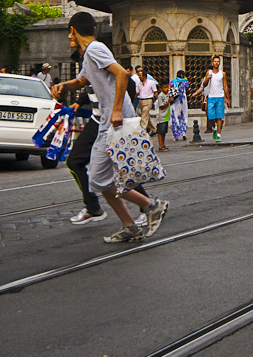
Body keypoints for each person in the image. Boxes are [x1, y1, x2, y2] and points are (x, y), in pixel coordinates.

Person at [50, 12, 168, 243]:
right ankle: (131, 225)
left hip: (114, 120)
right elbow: (83, 81)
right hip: (106, 120)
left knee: (98, 178)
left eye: (69, 33)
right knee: (99, 179)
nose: (68, 37)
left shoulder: (95, 49)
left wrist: (115, 110)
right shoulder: (89, 56)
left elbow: (122, 74)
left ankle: (151, 206)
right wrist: (64, 85)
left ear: (73, 30)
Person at [67, 88, 148, 227]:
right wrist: (77, 100)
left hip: (113, 122)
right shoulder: (89, 69)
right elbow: (86, 82)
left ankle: (148, 207)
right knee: (74, 162)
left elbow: (123, 80)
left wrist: (117, 111)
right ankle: (93, 207)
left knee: (120, 167)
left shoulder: (109, 68)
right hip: (96, 121)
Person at [200, 55, 230, 142]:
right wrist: (207, 78)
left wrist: (228, 98)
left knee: (219, 117)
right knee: (210, 115)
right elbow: (204, 85)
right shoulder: (209, 73)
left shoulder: (222, 74)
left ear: (219, 63)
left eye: (218, 61)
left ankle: (218, 134)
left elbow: (225, 85)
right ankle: (214, 127)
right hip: (211, 97)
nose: (216, 63)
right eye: (215, 61)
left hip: (220, 97)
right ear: (212, 63)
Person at [133, 65, 158, 136]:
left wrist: (155, 100)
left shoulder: (151, 82)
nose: (139, 76)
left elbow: (155, 92)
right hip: (141, 100)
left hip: (148, 100)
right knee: (146, 115)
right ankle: (153, 129)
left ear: (144, 76)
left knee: (144, 117)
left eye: (140, 75)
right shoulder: (139, 83)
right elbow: (137, 93)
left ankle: (142, 131)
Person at [170, 71, 190, 141]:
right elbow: (187, 89)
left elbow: (169, 89)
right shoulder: (186, 82)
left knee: (175, 115)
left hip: (175, 100)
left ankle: (176, 134)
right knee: (184, 115)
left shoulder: (173, 81)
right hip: (183, 100)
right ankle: (183, 132)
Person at [154, 83, 172, 152]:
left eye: (167, 87)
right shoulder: (160, 96)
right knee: (160, 132)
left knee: (164, 132)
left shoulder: (167, 95)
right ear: (161, 89)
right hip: (161, 117)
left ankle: (163, 145)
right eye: (165, 87)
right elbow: (161, 106)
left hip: (166, 116)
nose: (167, 89)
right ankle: (160, 146)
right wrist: (169, 101)